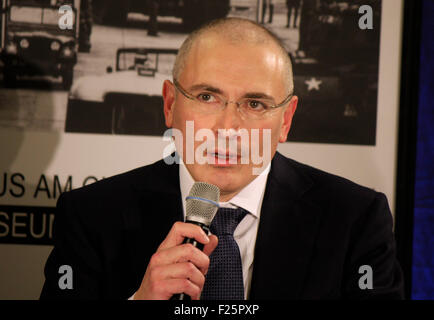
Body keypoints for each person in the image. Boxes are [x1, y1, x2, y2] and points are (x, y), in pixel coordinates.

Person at [40, 17, 404, 300]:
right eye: (207, 97)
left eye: (255, 104)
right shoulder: (90, 217)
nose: (229, 128)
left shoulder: (355, 221)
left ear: (286, 120)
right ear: (170, 104)